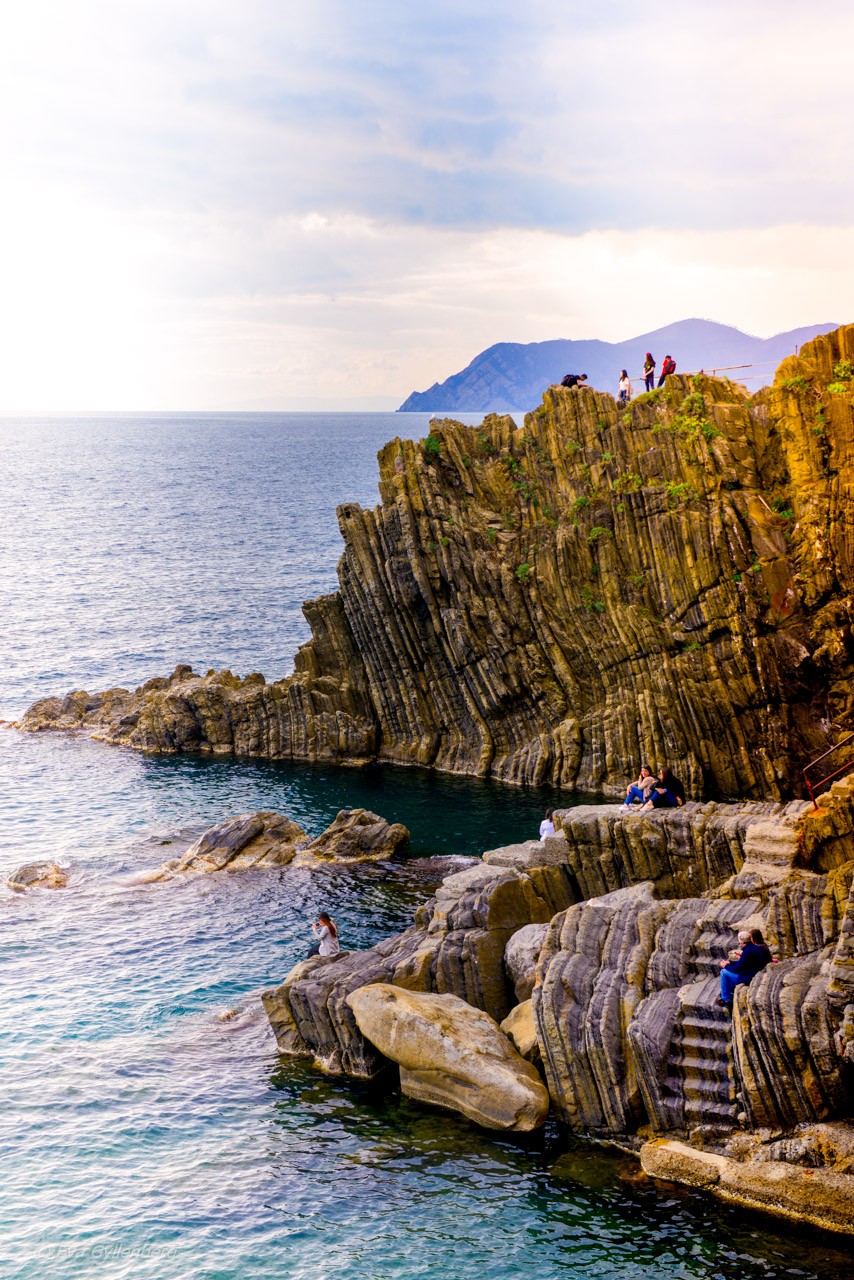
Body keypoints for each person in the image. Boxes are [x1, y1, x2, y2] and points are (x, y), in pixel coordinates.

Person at [717, 927, 772, 1009]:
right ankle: (729, 992)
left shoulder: (747, 952)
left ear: (741, 941)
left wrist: (726, 966)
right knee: (727, 972)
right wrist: (730, 962)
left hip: (750, 978)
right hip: (756, 974)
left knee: (724, 972)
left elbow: (738, 968)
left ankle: (726, 1000)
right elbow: (742, 963)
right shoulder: (756, 948)